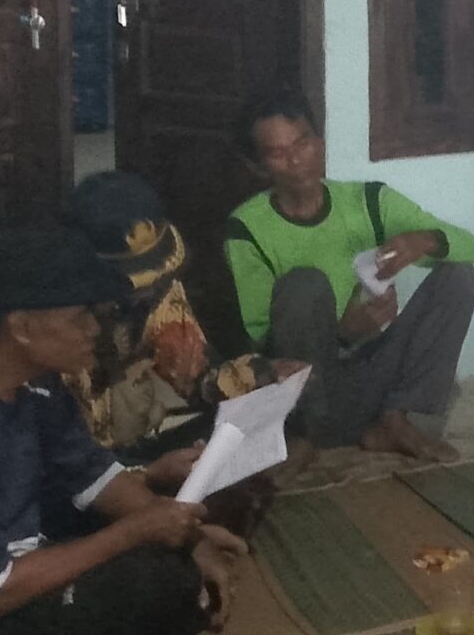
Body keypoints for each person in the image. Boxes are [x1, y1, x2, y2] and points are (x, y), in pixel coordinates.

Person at [0, 226, 246, 635]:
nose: (94, 329)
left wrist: (191, 539)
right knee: (152, 581)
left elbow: (93, 475)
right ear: (22, 327)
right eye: (79, 318)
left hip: (24, 554)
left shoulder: (37, 381)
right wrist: (136, 531)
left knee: (176, 538)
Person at [224, 90, 474, 462]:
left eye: (303, 143)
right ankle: (306, 435)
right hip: (307, 391)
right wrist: (343, 333)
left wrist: (424, 241)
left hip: (369, 377)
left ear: (320, 141)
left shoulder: (368, 202)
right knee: (304, 283)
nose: (296, 160)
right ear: (259, 166)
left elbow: (469, 246)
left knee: (459, 275)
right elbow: (261, 339)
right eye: (278, 153)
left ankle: (397, 420)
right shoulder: (247, 229)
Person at [58, 171, 304, 536]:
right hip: (91, 475)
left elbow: (195, 381)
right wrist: (149, 472)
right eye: (133, 283)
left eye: (156, 277)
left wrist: (262, 374)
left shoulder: (159, 294)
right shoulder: (61, 333)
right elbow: (70, 465)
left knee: (243, 447)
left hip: (147, 441)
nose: (149, 291)